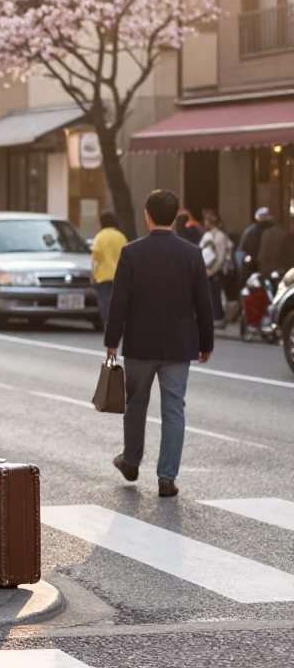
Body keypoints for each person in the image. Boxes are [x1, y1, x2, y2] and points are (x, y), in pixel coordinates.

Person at [105, 190, 213, 499]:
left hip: (140, 343)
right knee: (174, 410)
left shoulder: (132, 253)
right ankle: (167, 477)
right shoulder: (192, 254)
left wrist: (112, 340)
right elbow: (203, 303)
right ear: (176, 216)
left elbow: (119, 302)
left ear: (147, 215)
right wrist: (205, 342)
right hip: (179, 345)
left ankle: (131, 460)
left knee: (135, 405)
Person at [91, 211, 127, 326]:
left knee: (106, 302)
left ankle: (109, 325)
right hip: (120, 275)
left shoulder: (100, 237)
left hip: (103, 275)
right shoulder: (121, 236)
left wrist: (93, 273)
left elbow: (96, 256)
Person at [200, 211, 231, 326]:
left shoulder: (220, 236)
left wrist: (213, 270)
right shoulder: (207, 235)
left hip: (215, 270)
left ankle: (218, 318)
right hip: (207, 269)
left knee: (215, 294)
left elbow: (221, 256)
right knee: (209, 294)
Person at [237, 207, 274, 277]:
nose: (265, 218)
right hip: (253, 263)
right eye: (263, 216)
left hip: (270, 263)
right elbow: (243, 248)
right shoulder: (250, 231)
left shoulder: (275, 231)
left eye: (266, 216)